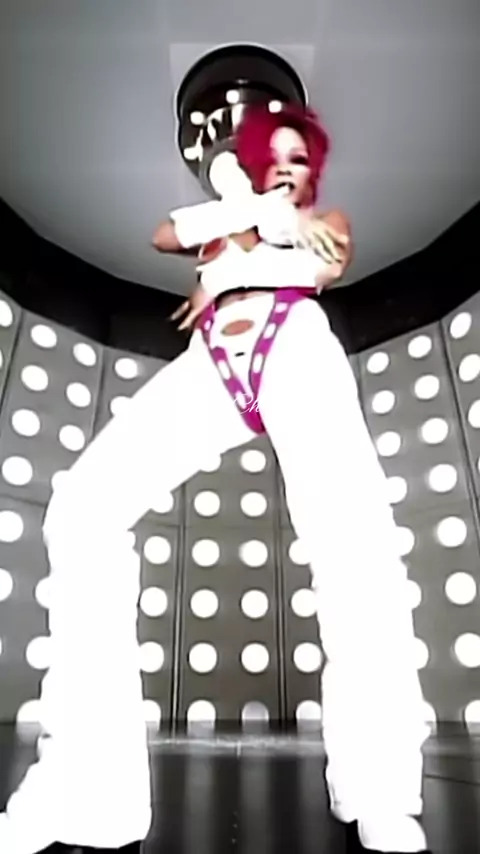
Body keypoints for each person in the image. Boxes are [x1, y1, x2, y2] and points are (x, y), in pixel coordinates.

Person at [0, 103, 429, 854]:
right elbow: (164, 234)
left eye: (301, 157)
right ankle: (86, 790)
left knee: (356, 547)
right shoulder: (233, 222)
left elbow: (328, 262)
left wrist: (240, 262)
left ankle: (382, 792)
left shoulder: (319, 221)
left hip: (295, 345)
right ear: (258, 163)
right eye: (277, 154)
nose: (289, 165)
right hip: (213, 362)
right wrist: (239, 220)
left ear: (313, 172)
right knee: (82, 508)